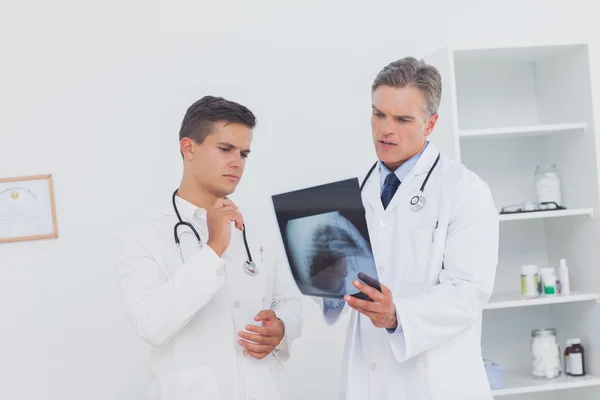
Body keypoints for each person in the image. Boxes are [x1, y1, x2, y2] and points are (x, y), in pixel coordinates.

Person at [319, 57, 499, 399]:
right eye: (379, 114)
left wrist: (396, 314)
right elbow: (339, 291)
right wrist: (325, 282)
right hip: (368, 380)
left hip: (436, 382)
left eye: (403, 119)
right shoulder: (354, 194)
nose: (386, 129)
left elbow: (468, 292)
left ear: (430, 124)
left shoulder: (464, 190)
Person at [115, 95, 303, 400]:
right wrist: (214, 248)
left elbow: (289, 302)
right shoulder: (142, 238)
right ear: (189, 148)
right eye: (225, 149)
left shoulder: (258, 227)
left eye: (244, 153)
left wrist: (281, 329)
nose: (236, 162)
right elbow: (151, 325)